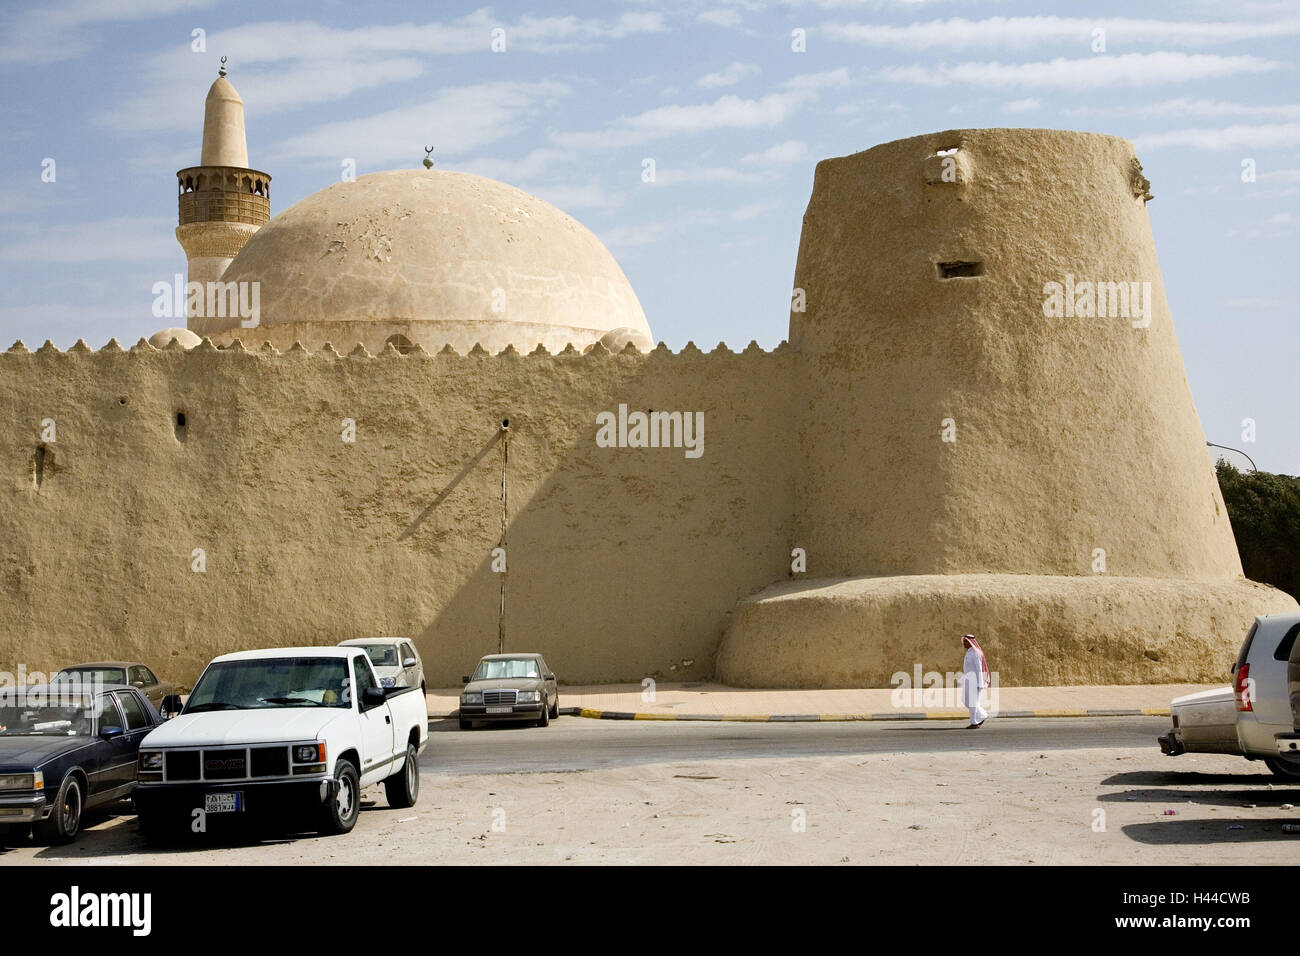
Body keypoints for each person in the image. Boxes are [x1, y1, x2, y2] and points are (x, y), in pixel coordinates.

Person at [961, 634, 990, 729]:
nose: (964, 643)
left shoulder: (975, 653)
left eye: (966, 642)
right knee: (965, 700)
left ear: (971, 642)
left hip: (975, 681)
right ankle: (982, 714)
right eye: (964, 641)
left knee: (973, 702)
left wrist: (980, 683)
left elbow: (979, 669)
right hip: (968, 680)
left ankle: (974, 722)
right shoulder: (969, 652)